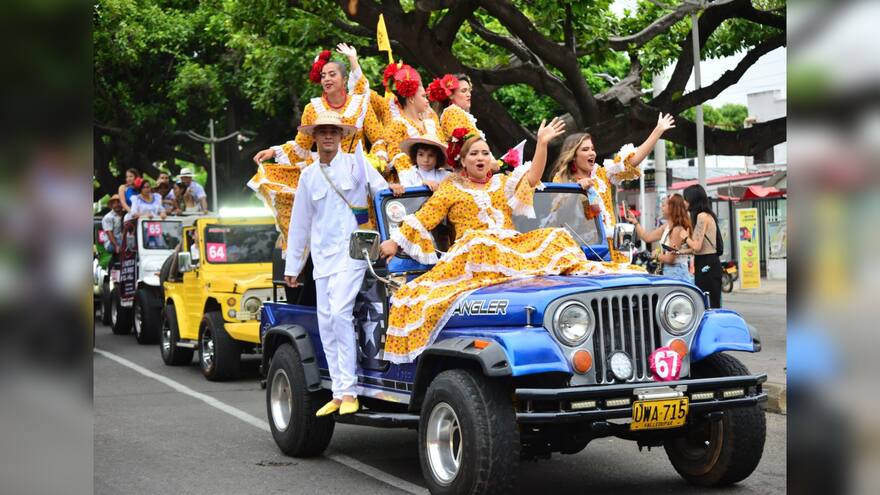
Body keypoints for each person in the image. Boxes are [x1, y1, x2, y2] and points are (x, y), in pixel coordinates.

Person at [377, 118, 640, 363]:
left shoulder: (502, 182)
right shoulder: (451, 187)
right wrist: (394, 244)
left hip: (509, 246)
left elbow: (533, 178)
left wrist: (542, 144)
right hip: (475, 252)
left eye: (484, 153)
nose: (480, 158)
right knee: (480, 242)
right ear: (462, 160)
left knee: (556, 236)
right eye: (474, 154)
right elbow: (426, 217)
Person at [284, 112, 390, 416]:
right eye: (323, 132)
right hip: (323, 258)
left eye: (333, 131)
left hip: (355, 252)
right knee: (327, 320)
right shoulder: (308, 176)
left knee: (341, 313)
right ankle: (339, 391)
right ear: (315, 137)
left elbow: (382, 192)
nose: (328, 136)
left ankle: (351, 391)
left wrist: (399, 190)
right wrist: (293, 266)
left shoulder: (357, 163)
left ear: (342, 136)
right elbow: (300, 223)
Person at [550, 113, 676, 262]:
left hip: (609, 250)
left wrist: (658, 131)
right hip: (579, 251)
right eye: (585, 149)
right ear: (573, 156)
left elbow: (632, 161)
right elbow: (561, 215)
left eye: (592, 149)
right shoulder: (562, 179)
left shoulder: (603, 175)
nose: (592, 153)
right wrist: (578, 190)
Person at [251, 46, 388, 168]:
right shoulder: (312, 109)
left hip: (357, 174)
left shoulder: (360, 104)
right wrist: (273, 151)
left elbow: (378, 139)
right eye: (323, 76)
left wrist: (377, 161)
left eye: (332, 74)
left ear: (344, 79)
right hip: (325, 172)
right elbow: (301, 145)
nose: (327, 79)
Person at [382, 64, 445, 185]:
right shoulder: (397, 125)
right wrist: (421, 181)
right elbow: (397, 157)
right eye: (423, 96)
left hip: (439, 182)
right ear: (411, 99)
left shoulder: (431, 122)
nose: (427, 100)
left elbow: (443, 151)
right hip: (411, 185)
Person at [626, 194, 692, 282]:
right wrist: (635, 222)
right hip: (670, 271)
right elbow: (647, 237)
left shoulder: (677, 229)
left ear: (672, 208)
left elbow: (670, 259)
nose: (661, 208)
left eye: (664, 205)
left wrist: (656, 255)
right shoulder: (667, 226)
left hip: (676, 272)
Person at [679, 184, 724, 308]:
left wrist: (685, 237)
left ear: (692, 199)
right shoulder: (705, 215)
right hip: (705, 261)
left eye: (686, 198)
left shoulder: (702, 216)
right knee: (707, 302)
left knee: (709, 304)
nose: (684, 202)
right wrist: (679, 252)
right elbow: (699, 249)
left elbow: (697, 246)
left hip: (707, 264)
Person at [429, 73, 485, 141]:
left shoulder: (457, 113)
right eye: (464, 91)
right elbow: (460, 145)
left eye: (469, 91)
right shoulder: (452, 112)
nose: (469, 94)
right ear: (451, 95)